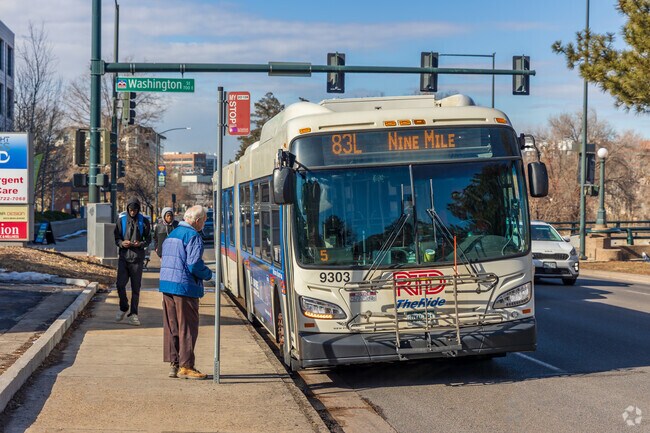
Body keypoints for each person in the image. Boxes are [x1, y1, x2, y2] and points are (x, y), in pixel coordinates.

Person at [159, 205, 213, 380]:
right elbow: (194, 264)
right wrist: (208, 274)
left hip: (167, 286)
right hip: (184, 287)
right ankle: (187, 366)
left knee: (172, 326)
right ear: (197, 221)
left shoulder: (172, 235)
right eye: (204, 221)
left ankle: (174, 364)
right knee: (187, 326)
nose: (204, 224)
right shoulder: (193, 236)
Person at [114, 197, 151, 326]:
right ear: (127, 209)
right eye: (130, 210)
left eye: (135, 210)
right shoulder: (121, 221)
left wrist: (140, 244)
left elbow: (148, 239)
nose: (133, 212)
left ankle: (134, 313)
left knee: (136, 288)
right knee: (120, 285)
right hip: (124, 258)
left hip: (137, 259)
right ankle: (124, 307)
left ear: (138, 209)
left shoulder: (144, 222)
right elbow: (116, 237)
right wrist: (121, 243)